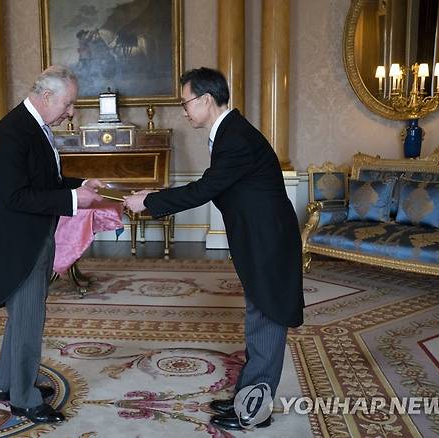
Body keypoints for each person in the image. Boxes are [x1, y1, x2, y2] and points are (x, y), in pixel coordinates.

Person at [124, 67, 304, 430]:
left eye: (185, 102)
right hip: (258, 238)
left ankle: (254, 410)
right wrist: (152, 198)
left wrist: (151, 201)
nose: (184, 110)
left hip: (267, 242)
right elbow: (217, 187)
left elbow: (206, 188)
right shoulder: (229, 133)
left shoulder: (235, 137)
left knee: (267, 320)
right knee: (258, 318)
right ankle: (247, 398)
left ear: (206, 99)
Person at [0, 65, 103, 424]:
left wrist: (83, 184)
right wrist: (74, 200)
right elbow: (19, 195)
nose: (72, 112)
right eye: (69, 103)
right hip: (20, 241)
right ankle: (24, 399)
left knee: (22, 318)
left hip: (32, 235)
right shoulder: (13, 133)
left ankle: (9, 384)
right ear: (46, 95)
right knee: (30, 319)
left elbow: (48, 179)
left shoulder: (34, 127)